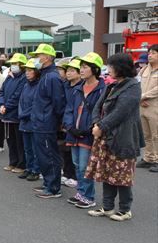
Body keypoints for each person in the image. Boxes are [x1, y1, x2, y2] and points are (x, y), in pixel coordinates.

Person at [86, 53, 144, 222]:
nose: (109, 69)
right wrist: (97, 123)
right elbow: (98, 106)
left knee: (122, 174)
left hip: (123, 137)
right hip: (106, 134)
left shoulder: (133, 87)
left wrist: (101, 126)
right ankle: (107, 206)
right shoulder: (112, 85)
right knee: (106, 171)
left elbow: (121, 112)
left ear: (121, 68)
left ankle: (125, 209)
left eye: (111, 66)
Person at [63, 53, 106, 209]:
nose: (81, 70)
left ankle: (88, 196)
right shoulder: (77, 89)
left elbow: (101, 113)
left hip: (88, 135)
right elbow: (68, 110)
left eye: (85, 67)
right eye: (81, 67)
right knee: (76, 164)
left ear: (94, 69)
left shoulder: (102, 89)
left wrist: (88, 130)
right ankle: (81, 193)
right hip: (74, 134)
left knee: (84, 166)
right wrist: (70, 127)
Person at [30, 44, 66, 199]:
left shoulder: (51, 76)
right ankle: (48, 182)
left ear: (48, 57)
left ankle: (53, 187)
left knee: (49, 154)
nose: (37, 58)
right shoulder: (45, 75)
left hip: (46, 121)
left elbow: (58, 101)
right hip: (41, 120)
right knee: (43, 154)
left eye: (40, 55)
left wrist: (57, 121)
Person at [0, 53, 27, 174]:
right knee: (10, 140)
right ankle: (12, 162)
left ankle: (21, 164)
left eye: (16, 63)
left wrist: (7, 106)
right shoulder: (9, 77)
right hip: (7, 114)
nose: (13, 66)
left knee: (19, 141)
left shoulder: (23, 78)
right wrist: (1, 104)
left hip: (16, 114)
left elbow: (17, 95)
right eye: (12, 64)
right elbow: (1, 91)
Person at [18, 58, 42, 182]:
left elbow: (36, 104)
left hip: (33, 120)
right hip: (24, 120)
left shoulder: (39, 85)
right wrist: (21, 113)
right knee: (27, 148)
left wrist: (23, 114)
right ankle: (28, 167)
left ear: (36, 72)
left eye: (30, 70)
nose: (27, 73)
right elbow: (21, 101)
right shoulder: (26, 85)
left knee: (35, 147)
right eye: (26, 70)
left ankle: (35, 170)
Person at [59, 58, 82, 188]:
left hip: (75, 123)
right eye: (67, 70)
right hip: (64, 121)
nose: (68, 73)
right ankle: (67, 173)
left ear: (79, 73)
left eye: (72, 70)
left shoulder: (81, 87)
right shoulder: (65, 85)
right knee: (65, 149)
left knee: (74, 151)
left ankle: (74, 176)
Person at [137, 44, 158, 172]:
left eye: (154, 53)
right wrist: (140, 99)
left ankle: (156, 159)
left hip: (155, 106)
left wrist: (143, 96)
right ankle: (148, 158)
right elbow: (137, 83)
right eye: (149, 53)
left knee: (156, 134)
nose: (150, 55)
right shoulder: (144, 69)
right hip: (143, 106)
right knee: (146, 135)